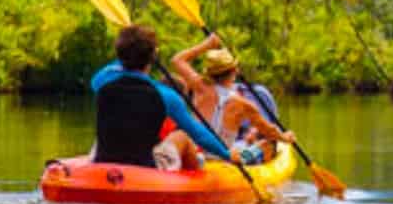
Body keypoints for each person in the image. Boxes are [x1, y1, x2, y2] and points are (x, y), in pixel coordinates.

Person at [90, 24, 234, 170]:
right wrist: (227, 154)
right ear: (153, 57)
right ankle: (197, 182)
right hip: (146, 170)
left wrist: (127, 50)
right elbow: (199, 134)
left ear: (120, 54)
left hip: (103, 162)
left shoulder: (101, 82)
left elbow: (114, 66)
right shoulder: (166, 96)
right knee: (182, 135)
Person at [170, 33, 294, 163]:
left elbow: (177, 60)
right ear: (234, 72)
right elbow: (270, 131)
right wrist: (285, 137)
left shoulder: (199, 86)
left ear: (209, 73)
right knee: (267, 145)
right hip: (224, 160)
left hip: (195, 155)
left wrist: (206, 45)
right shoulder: (244, 105)